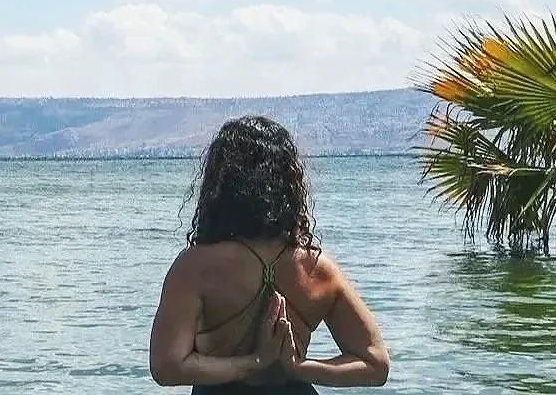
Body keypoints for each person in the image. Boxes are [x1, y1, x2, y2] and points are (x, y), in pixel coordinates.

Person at [146, 115, 391, 391]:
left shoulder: (195, 267)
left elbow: (167, 366)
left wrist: (253, 362)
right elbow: (375, 364)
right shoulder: (317, 268)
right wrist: (299, 367)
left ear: (220, 185)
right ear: (289, 185)